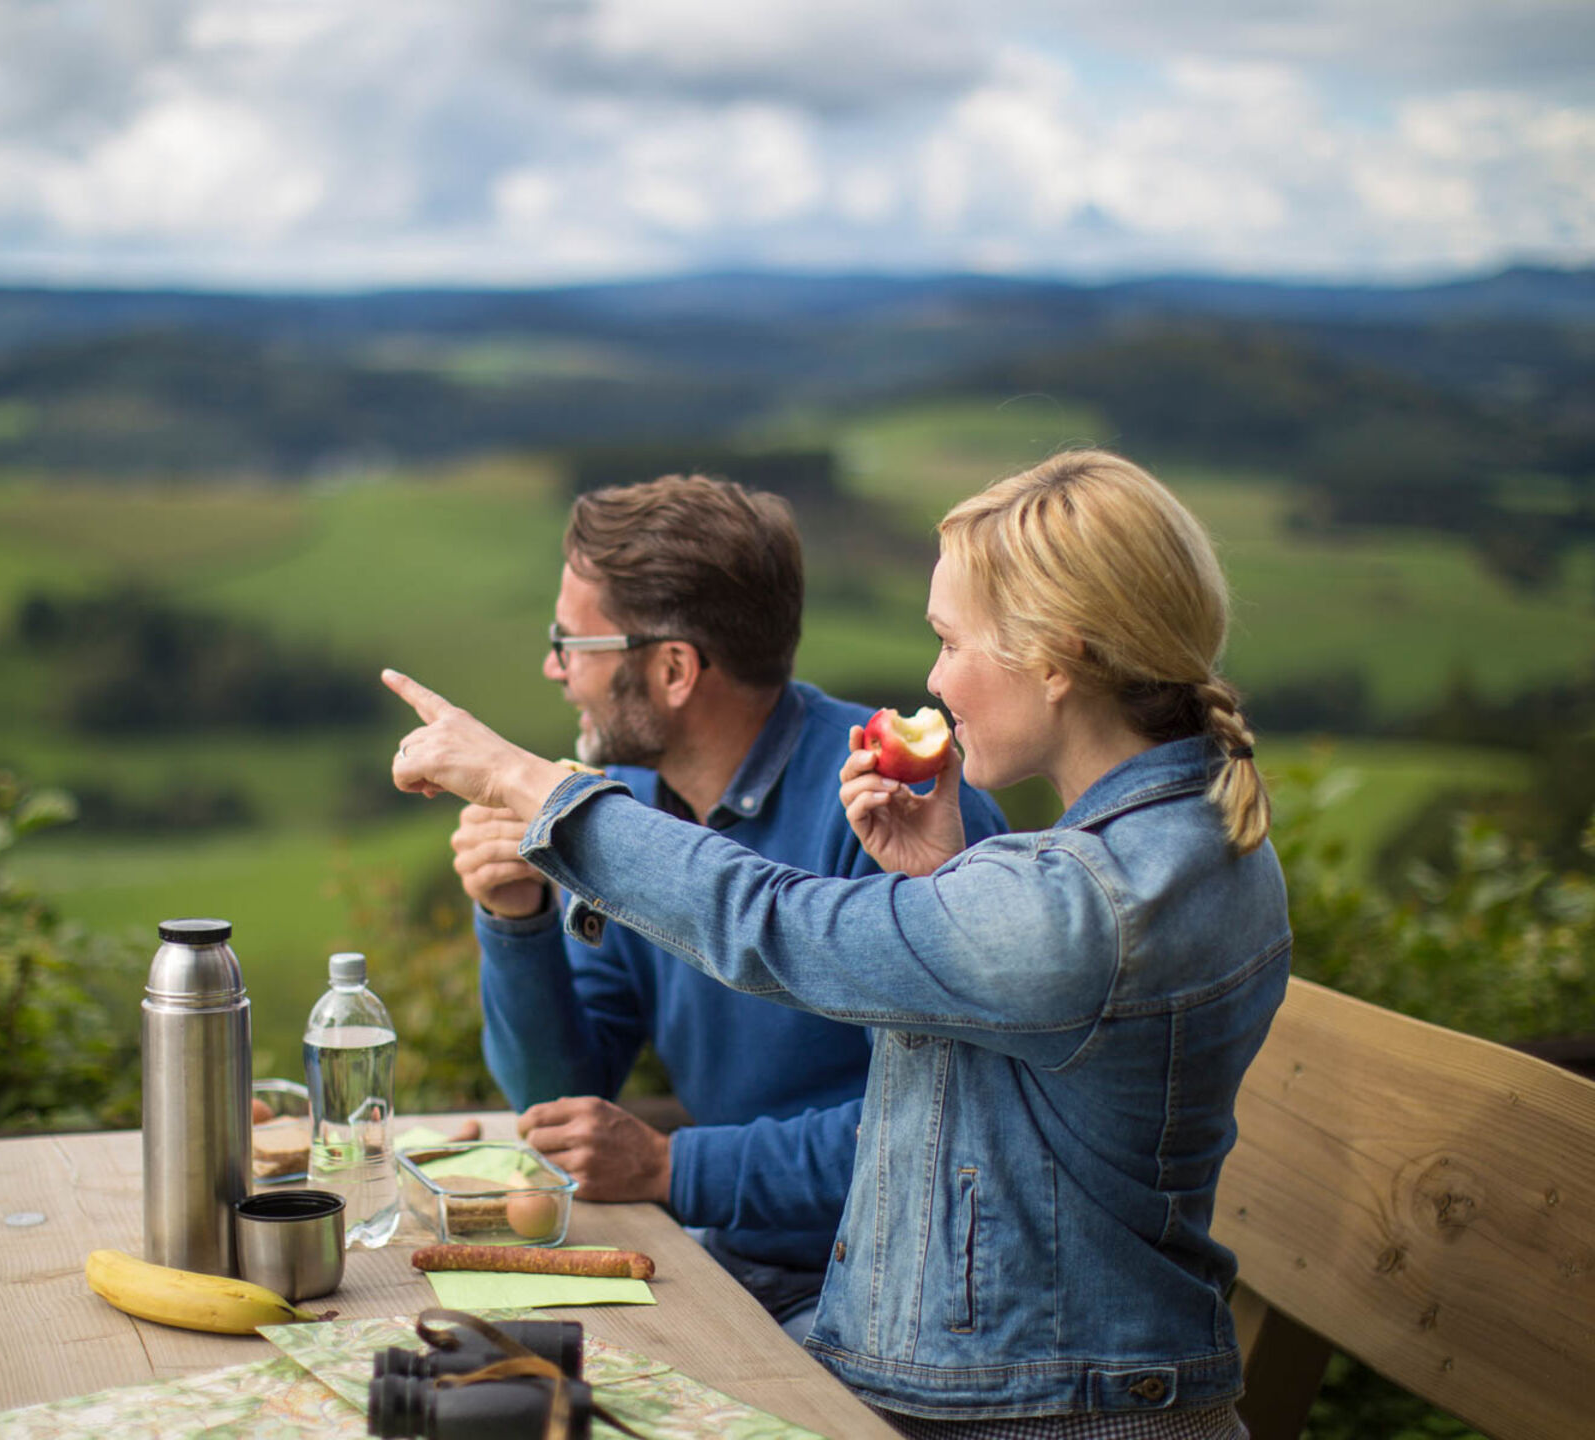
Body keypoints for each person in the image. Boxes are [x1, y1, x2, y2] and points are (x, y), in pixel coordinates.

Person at [386, 450, 1289, 1436]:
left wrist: (544, 797)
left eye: (950, 642)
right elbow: (1001, 1085)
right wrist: (939, 881)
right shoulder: (1148, 855)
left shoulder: (1096, 902)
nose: (933, 681)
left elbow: (777, 925)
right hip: (979, 1365)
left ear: (1056, 657)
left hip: (1026, 1402)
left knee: (485, 1404)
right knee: (470, 1385)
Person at [447, 472, 1009, 1343]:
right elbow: (560, 1101)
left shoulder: (893, 806)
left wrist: (677, 1167)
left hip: (879, 1294)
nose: (554, 666)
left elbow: (939, 1136)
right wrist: (517, 923)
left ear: (672, 669)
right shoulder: (627, 802)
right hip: (724, 1262)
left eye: (573, 642)